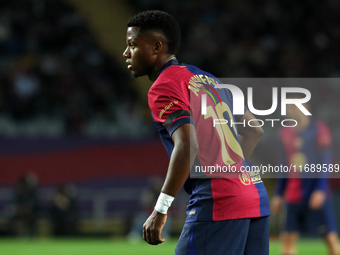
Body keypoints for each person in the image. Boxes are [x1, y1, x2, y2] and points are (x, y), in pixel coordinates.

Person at [123, 10, 270, 254]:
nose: (126, 53)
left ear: (157, 47)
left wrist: (161, 208)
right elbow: (255, 130)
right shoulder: (208, 78)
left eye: (132, 45)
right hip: (254, 193)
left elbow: (187, 145)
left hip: (218, 201)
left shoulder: (163, 87)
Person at [271, 99, 339, 255]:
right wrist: (279, 194)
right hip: (293, 194)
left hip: (315, 193)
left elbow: (325, 163)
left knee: (330, 238)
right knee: (287, 239)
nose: (291, 110)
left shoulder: (319, 129)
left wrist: (320, 190)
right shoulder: (284, 132)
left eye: (294, 106)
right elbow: (283, 166)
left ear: (305, 107)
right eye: (289, 107)